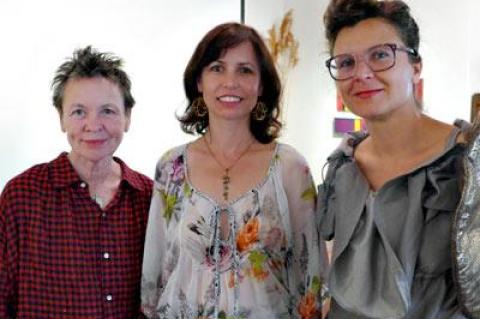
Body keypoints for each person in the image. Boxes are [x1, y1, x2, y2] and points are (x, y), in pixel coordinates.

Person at [141, 22, 327, 319]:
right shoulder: (171, 167)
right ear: (199, 81)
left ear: (261, 85)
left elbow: (311, 277)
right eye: (217, 68)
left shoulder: (291, 168)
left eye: (245, 70)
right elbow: (154, 273)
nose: (231, 82)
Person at [318, 0, 470, 318]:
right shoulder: (342, 169)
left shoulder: (467, 164)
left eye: (381, 55)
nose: (361, 73)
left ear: (415, 67)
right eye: (346, 62)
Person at [0, 46, 153, 318]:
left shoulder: (150, 198)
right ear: (61, 118)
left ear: (127, 117)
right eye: (79, 112)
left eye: (108, 111)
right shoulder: (22, 196)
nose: (93, 125)